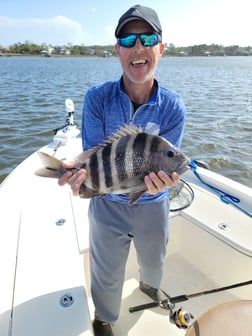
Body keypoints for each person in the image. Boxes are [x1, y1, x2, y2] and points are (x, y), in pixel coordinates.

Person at [59, 4, 186, 336]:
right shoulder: (97, 98)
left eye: (148, 37)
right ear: (117, 49)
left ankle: (148, 285)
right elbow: (96, 158)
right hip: (107, 207)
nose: (138, 46)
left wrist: (160, 185)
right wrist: (80, 179)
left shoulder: (174, 108)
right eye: (128, 39)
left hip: (153, 206)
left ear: (161, 47)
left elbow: (168, 160)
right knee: (106, 273)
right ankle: (104, 317)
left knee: (155, 262)